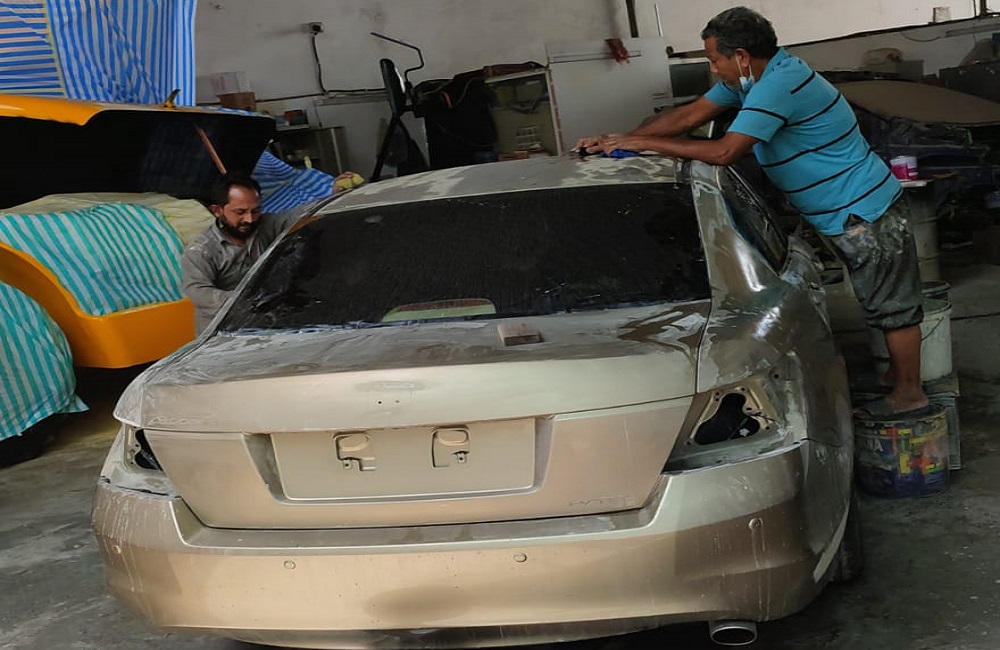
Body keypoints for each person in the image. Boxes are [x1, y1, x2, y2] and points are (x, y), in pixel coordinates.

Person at [576, 6, 928, 418]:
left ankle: (909, 393)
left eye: (714, 59)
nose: (713, 69)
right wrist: (617, 140)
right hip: (838, 208)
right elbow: (689, 115)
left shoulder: (778, 85)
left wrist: (644, 144)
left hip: (862, 207)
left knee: (891, 304)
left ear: (741, 56)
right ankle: (895, 378)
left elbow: (725, 151)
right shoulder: (751, 81)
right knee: (878, 296)